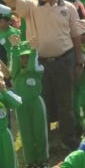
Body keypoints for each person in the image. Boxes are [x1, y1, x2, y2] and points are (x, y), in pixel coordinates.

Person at [3, 0, 85, 153]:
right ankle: (45, 139)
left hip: (64, 60)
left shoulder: (69, 7)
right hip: (37, 63)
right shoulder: (30, 6)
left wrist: (79, 61)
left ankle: (68, 138)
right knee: (43, 102)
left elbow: (76, 36)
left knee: (66, 103)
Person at [8, 37, 48, 168]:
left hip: (36, 103)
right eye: (22, 57)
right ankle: (31, 161)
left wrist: (34, 51)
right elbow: (13, 66)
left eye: (26, 57)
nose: (24, 60)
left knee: (40, 131)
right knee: (26, 133)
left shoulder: (37, 69)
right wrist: (14, 48)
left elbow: (32, 66)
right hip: (21, 105)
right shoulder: (16, 73)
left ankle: (42, 159)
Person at [0, 71, 21, 168]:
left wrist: (4, 91)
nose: (1, 82)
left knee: (10, 160)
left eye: (2, 79)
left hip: (5, 134)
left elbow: (17, 103)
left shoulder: (3, 96)